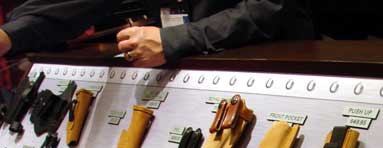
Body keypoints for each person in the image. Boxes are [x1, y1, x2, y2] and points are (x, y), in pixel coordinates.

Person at [0, 0, 313, 67]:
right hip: (187, 72)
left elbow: (274, 7)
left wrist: (174, 39)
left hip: (277, 66)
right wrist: (10, 36)